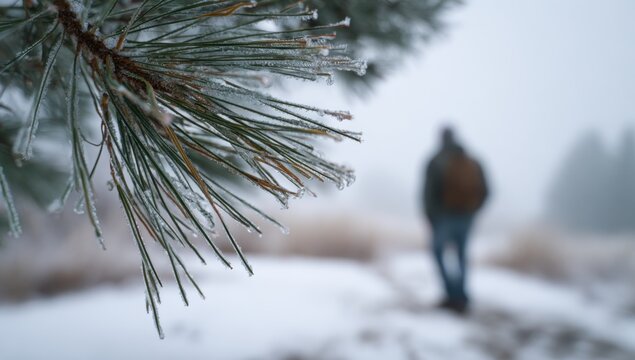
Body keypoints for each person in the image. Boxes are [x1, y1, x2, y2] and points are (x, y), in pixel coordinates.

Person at [422, 126, 489, 314]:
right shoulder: (473, 162)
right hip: (466, 217)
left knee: (438, 252)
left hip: (443, 217)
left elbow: (427, 194)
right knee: (461, 255)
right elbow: (486, 191)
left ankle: (453, 295)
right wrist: (473, 211)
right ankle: (461, 297)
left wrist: (431, 218)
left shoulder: (435, 160)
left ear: (441, 139)